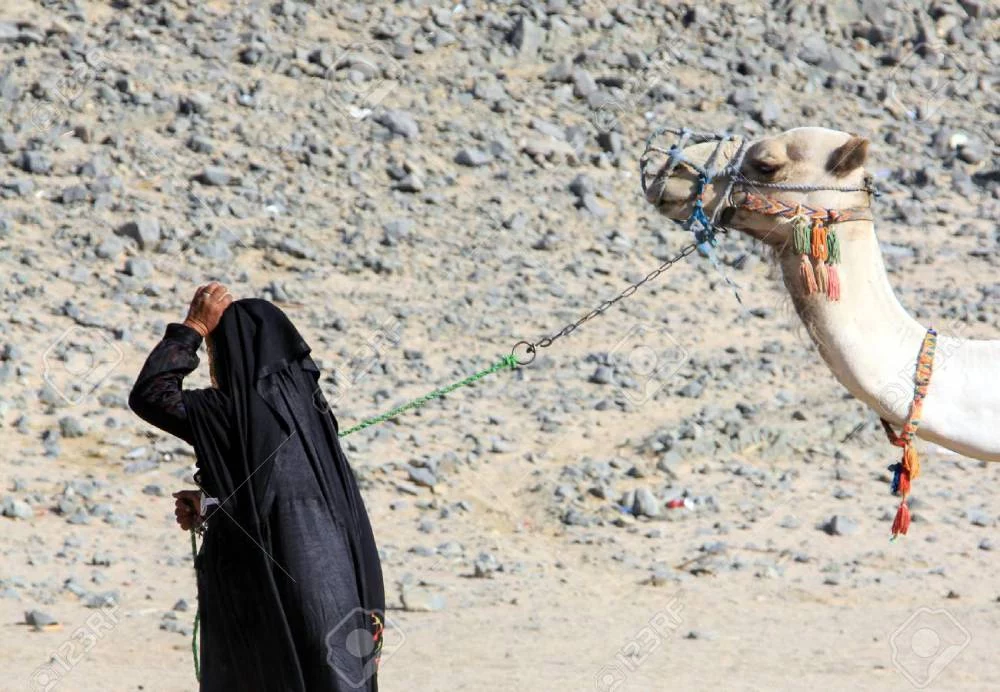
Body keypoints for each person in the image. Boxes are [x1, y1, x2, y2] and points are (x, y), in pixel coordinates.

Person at [129, 282, 385, 691]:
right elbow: (276, 497)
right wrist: (213, 504)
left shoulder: (227, 412)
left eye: (215, 352)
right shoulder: (316, 419)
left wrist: (192, 327)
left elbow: (151, 394)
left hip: (274, 596)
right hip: (333, 589)